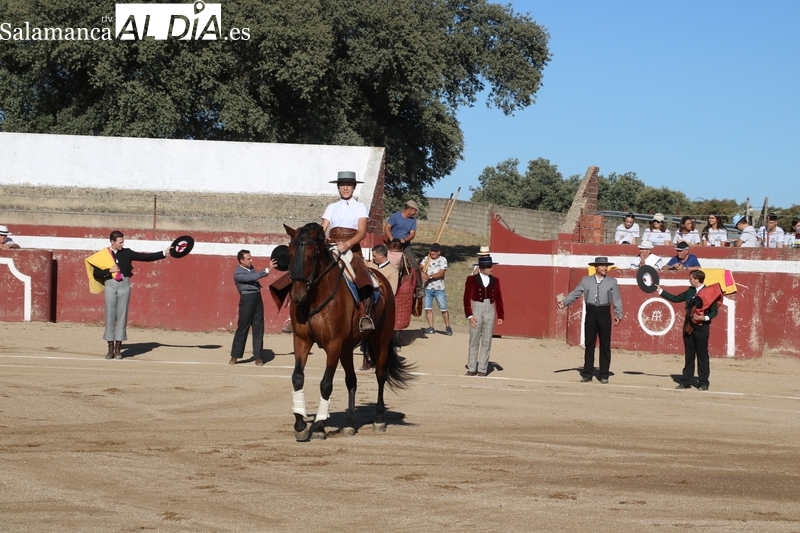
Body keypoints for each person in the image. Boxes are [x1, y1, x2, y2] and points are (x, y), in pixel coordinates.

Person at [90, 231, 169, 359]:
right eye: (120, 242)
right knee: (110, 315)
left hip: (124, 285)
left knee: (122, 315)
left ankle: (117, 349)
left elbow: (145, 257)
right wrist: (109, 271)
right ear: (112, 242)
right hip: (110, 285)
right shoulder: (103, 255)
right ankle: (110, 347)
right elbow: (96, 274)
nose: (122, 244)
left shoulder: (127, 253)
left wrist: (163, 253)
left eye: (123, 242)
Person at [321, 171, 375, 331]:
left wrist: (347, 244)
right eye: (342, 185)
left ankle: (364, 314)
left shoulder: (360, 207)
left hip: (352, 248)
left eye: (349, 185)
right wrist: (322, 238)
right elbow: (322, 228)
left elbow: (362, 232)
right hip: (331, 247)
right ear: (338, 188)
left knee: (362, 276)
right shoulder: (331, 207)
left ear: (354, 187)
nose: (345, 188)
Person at [557, 257, 623, 384]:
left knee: (605, 345)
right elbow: (576, 293)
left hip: (604, 313)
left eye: (606, 266)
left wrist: (618, 314)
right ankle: (587, 373)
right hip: (591, 313)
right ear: (596, 267)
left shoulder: (612, 282)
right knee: (589, 344)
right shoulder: (586, 281)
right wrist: (564, 302)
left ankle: (604, 374)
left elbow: (617, 299)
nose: (605, 268)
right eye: (602, 266)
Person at [656, 270, 718, 390]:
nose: (689, 280)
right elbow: (676, 298)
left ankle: (703, 382)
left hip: (701, 326)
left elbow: (714, 311)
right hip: (689, 325)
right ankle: (686, 381)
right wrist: (661, 291)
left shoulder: (709, 292)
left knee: (702, 354)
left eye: (691, 279)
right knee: (689, 354)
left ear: (697, 279)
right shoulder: (690, 291)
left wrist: (704, 318)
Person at [231, 250, 277, 366]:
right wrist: (267, 269)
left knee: (258, 327)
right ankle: (235, 355)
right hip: (247, 300)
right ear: (241, 261)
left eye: (251, 258)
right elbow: (251, 278)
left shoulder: (250, 268)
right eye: (248, 259)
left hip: (257, 298)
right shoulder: (238, 273)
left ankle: (258, 356)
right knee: (243, 327)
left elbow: (253, 276)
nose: (251, 260)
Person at [463, 255, 505, 376]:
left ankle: (482, 368)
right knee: (474, 339)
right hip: (477, 308)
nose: (491, 269)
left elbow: (499, 298)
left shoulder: (495, 280)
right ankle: (472, 367)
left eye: (491, 266)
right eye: (488, 267)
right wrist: (470, 316)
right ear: (482, 268)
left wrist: (501, 315)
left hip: (490, 310)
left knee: (487, 340)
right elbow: (466, 299)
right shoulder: (471, 279)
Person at [384, 200, 424, 298]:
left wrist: (405, 239)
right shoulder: (395, 216)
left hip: (404, 245)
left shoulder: (413, 220)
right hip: (392, 244)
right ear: (409, 209)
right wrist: (391, 238)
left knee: (415, 264)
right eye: (415, 211)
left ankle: (419, 288)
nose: (416, 213)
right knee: (379, 257)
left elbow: (412, 234)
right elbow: (387, 228)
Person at [421, 242, 452, 336]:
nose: (433, 253)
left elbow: (441, 273)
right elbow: (420, 266)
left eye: (435, 251)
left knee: (443, 309)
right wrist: (421, 271)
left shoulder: (443, 260)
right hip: (428, 288)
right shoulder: (427, 259)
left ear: (439, 252)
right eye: (432, 251)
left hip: (439, 288)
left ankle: (448, 327)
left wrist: (429, 276)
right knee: (427, 308)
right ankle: (431, 327)